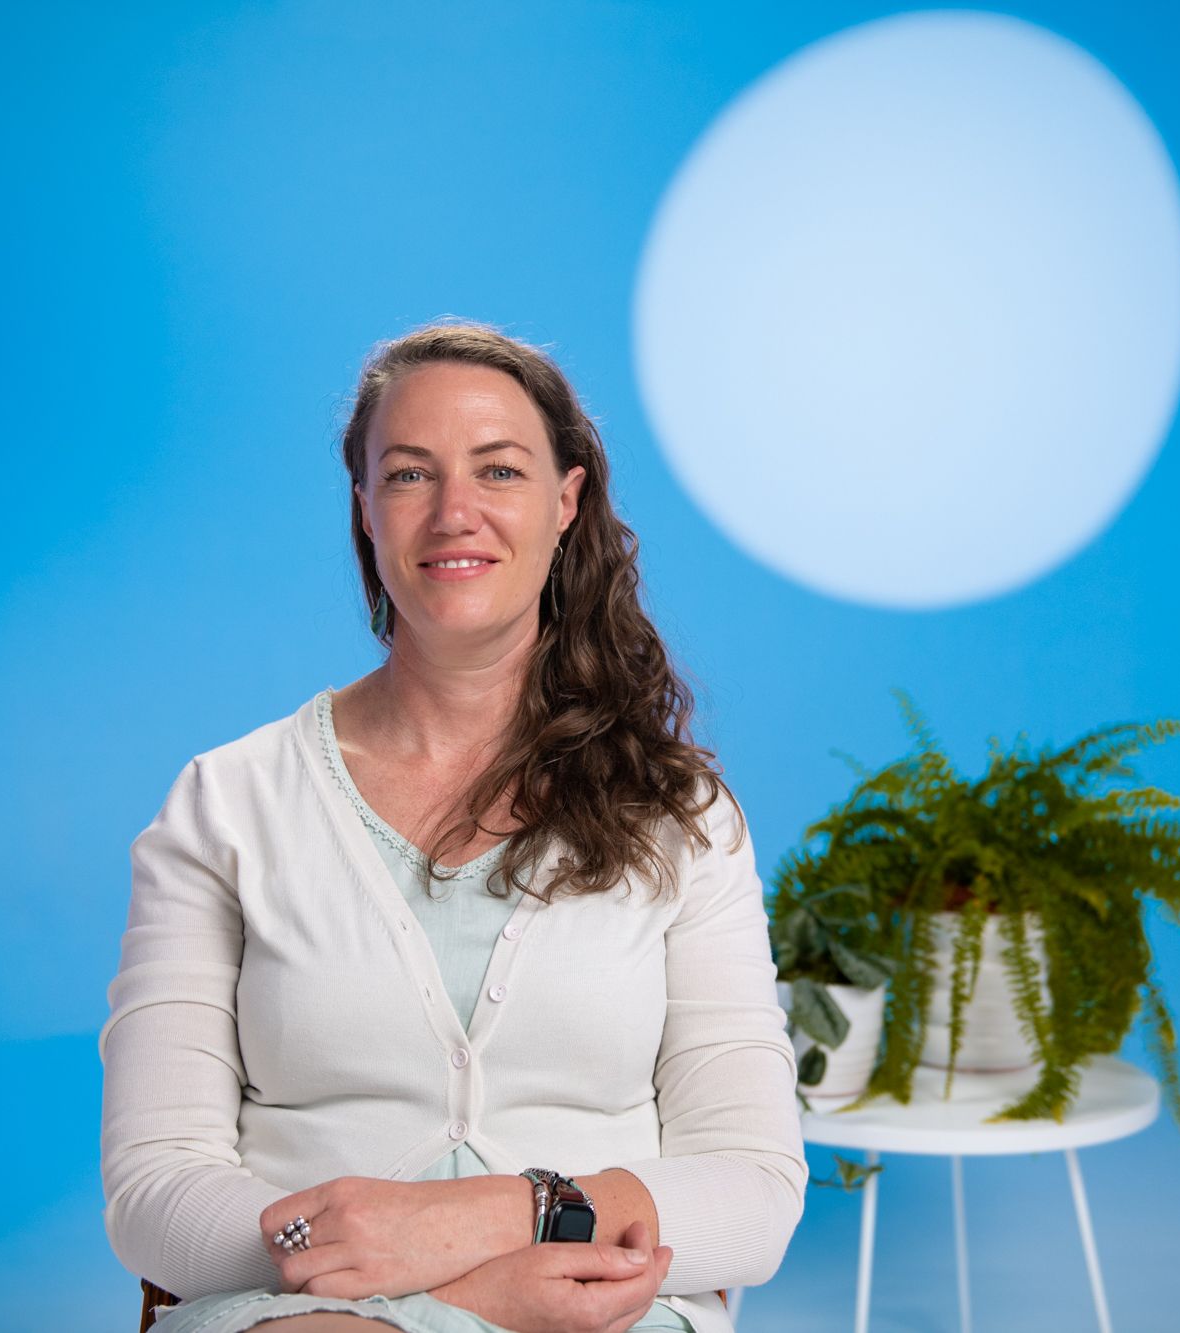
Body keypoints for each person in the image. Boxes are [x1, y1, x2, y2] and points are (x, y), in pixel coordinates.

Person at [99, 320, 807, 1333]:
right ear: (365, 508)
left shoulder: (680, 816)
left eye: (499, 470)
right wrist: (436, 1299)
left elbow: (752, 1190)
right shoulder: (225, 804)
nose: (454, 513)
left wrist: (499, 1217)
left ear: (565, 502)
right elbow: (156, 1192)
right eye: (408, 475)